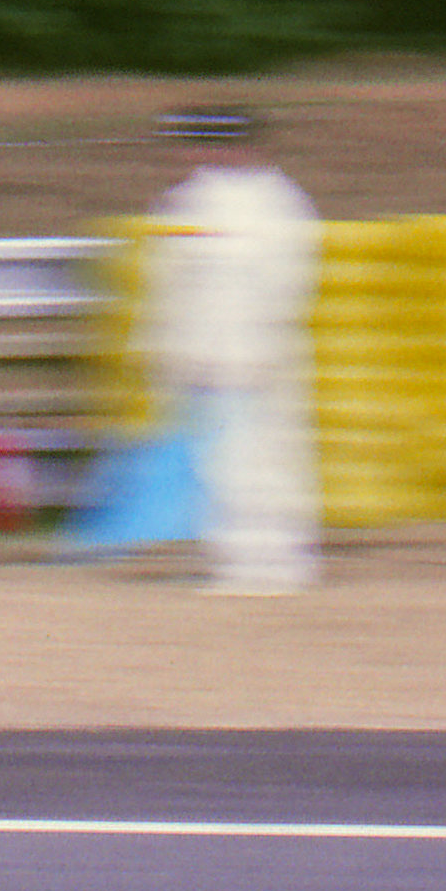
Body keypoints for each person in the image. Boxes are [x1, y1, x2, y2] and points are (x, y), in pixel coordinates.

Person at [141, 107, 324, 593]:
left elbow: (290, 279)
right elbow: (170, 281)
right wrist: (173, 348)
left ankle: (277, 559)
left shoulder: (277, 202)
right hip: (208, 352)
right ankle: (238, 559)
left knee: (267, 455)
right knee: (220, 462)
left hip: (257, 351)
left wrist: (261, 339)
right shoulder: (190, 201)